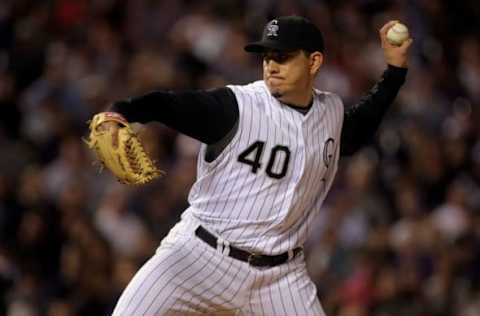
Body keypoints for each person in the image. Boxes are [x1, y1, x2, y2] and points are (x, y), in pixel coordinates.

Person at [102, 16, 412, 316]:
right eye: (266, 57)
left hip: (280, 277)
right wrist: (121, 112)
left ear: (314, 62)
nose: (271, 66)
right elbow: (166, 104)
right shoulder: (236, 106)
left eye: (283, 57)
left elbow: (356, 131)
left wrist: (394, 73)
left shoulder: (329, 112)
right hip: (199, 257)